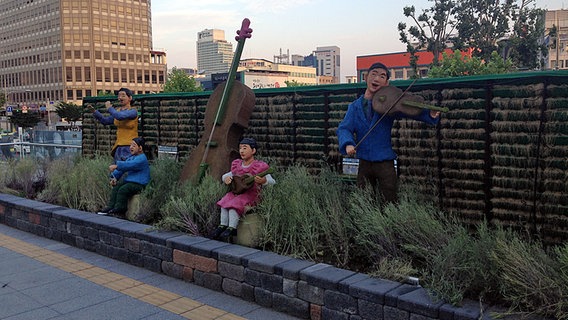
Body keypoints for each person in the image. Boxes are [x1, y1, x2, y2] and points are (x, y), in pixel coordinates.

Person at [336, 62, 441, 203]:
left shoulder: (390, 104)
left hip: (385, 162)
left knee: (389, 199)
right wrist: (348, 144)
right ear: (366, 77)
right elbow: (344, 128)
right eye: (373, 74)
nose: (377, 78)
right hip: (364, 163)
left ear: (386, 83)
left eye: (382, 76)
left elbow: (409, 110)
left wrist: (429, 114)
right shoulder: (354, 107)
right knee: (363, 200)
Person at [209, 138, 275, 241]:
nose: (242, 151)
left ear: (253, 151)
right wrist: (226, 179)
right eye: (240, 148)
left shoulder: (258, 166)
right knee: (225, 202)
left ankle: (232, 228)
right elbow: (229, 175)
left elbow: (272, 182)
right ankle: (222, 226)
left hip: (251, 195)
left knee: (233, 206)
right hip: (237, 192)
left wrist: (263, 181)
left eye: (245, 148)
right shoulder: (237, 165)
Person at [98, 137, 150, 217]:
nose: (131, 147)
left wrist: (117, 166)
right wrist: (113, 177)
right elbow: (122, 169)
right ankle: (111, 207)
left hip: (139, 184)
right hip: (130, 182)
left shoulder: (142, 159)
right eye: (130, 145)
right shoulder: (132, 157)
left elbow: (129, 165)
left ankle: (120, 209)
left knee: (124, 189)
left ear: (140, 148)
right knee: (117, 187)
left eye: (134, 145)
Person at [90, 87, 138, 163]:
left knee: (127, 169)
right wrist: (95, 112)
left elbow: (120, 116)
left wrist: (110, 108)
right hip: (118, 146)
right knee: (116, 170)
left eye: (123, 95)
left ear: (130, 98)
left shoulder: (133, 111)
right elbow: (105, 121)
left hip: (130, 146)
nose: (120, 97)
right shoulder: (117, 112)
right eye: (118, 96)